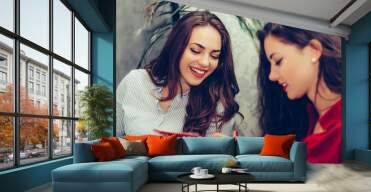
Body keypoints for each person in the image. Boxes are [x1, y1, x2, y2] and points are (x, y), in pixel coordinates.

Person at [117, 11, 241, 137]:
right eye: (196, 50)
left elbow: (219, 155)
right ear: (177, 46)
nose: (205, 62)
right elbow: (106, 141)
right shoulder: (135, 81)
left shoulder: (218, 105)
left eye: (214, 56)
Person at [257, 23, 342, 163]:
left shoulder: (338, 134)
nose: (271, 76)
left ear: (314, 50)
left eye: (278, 61)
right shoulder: (308, 116)